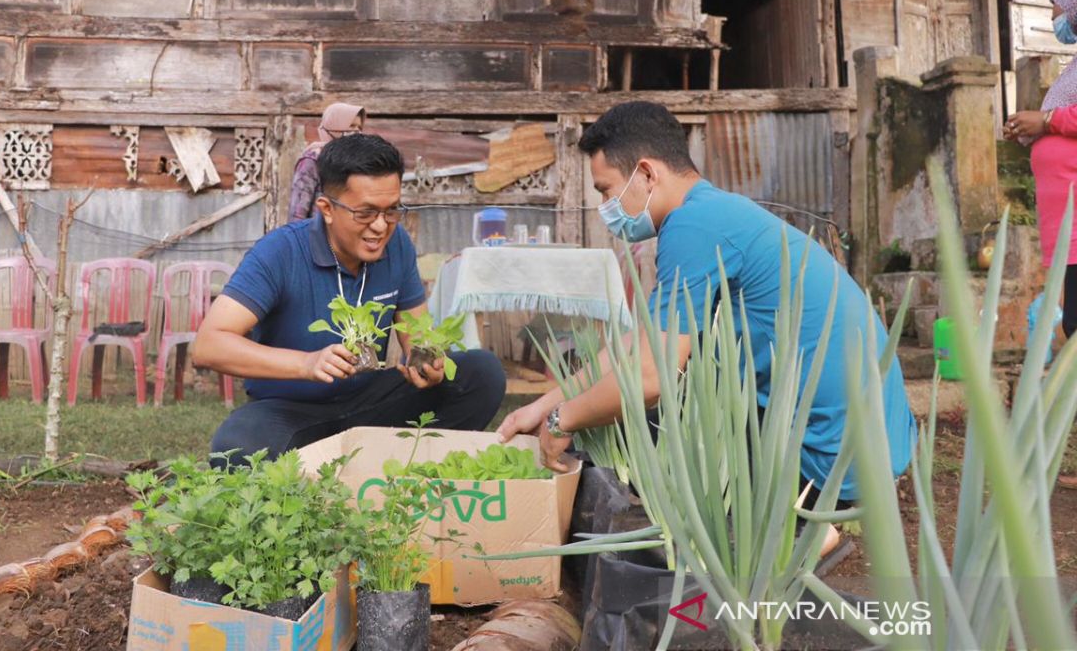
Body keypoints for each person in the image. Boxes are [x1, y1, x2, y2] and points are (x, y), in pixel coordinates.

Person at [497, 101, 917, 518]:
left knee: (652, 413)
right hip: (874, 447)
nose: (606, 207)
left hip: (829, 465)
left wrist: (561, 421)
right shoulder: (711, 213)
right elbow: (640, 343)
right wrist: (546, 403)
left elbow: (650, 375)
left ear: (645, 173)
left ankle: (801, 530)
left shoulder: (692, 228)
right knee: (642, 395)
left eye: (606, 190)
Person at [195, 133, 506, 463]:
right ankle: (346, 471)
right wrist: (306, 363)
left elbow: (418, 334)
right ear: (327, 209)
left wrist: (426, 362)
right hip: (289, 411)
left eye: (391, 211)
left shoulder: (396, 243)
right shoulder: (280, 252)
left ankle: (410, 471)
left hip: (372, 403)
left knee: (481, 373)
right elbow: (209, 345)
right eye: (365, 213)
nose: (380, 227)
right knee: (239, 447)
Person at [1006, 0, 1077, 340]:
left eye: (1058, 3)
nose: (1054, 15)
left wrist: (1046, 123)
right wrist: (1030, 131)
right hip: (1066, 221)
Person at [287, 103, 367, 222]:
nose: (356, 132)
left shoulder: (357, 160)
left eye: (359, 128)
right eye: (351, 126)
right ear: (334, 125)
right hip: (317, 234)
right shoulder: (313, 159)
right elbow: (298, 210)